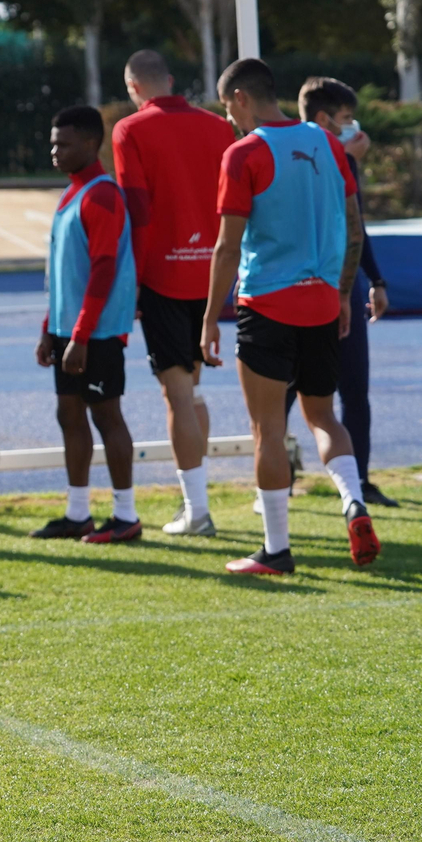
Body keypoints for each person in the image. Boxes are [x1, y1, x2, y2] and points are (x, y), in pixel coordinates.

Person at [204, 58, 379, 576]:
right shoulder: (328, 144)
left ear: (238, 98)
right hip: (323, 301)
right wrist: (344, 294)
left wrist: (211, 316)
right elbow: (353, 228)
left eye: (227, 110)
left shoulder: (243, 153)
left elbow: (226, 248)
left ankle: (276, 550)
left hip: (267, 305)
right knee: (324, 416)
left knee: (268, 430)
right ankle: (354, 501)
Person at [114, 50, 237, 536]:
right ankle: (198, 503)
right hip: (212, 272)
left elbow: (138, 210)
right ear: (169, 80)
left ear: (133, 88)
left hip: (163, 274)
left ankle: (198, 510)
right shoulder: (216, 127)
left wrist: (134, 284)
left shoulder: (130, 130)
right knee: (194, 389)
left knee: (177, 394)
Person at [29, 106, 141, 543]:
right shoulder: (71, 193)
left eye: (64, 143)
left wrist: (79, 335)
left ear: (91, 144)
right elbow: (63, 274)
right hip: (67, 330)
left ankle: (126, 515)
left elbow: (103, 270)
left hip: (96, 333)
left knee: (106, 416)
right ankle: (78, 514)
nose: (55, 151)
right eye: (53, 142)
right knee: (68, 414)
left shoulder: (102, 195)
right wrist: (48, 328)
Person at [294, 77, 396, 508]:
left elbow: (357, 229)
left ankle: (361, 481)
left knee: (353, 389)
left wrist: (374, 279)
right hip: (298, 289)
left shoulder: (343, 162)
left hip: (343, 286)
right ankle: (276, 482)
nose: (354, 128)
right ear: (322, 120)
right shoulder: (293, 157)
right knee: (286, 391)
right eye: (345, 120)